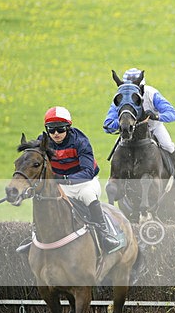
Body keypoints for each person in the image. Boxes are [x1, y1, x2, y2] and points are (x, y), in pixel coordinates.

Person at [18, 106, 121, 254]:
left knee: (87, 195)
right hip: (59, 183)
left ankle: (104, 234)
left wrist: (65, 178)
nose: (55, 134)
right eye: (51, 130)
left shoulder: (80, 141)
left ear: (68, 127)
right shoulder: (44, 142)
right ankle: (35, 236)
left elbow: (87, 172)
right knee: (41, 198)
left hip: (85, 182)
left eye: (60, 129)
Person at [103, 67, 175, 189]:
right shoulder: (121, 98)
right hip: (130, 131)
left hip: (154, 127)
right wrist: (123, 124)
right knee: (116, 153)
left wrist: (156, 116)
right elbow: (107, 124)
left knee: (168, 145)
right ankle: (113, 180)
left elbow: (172, 114)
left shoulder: (152, 94)